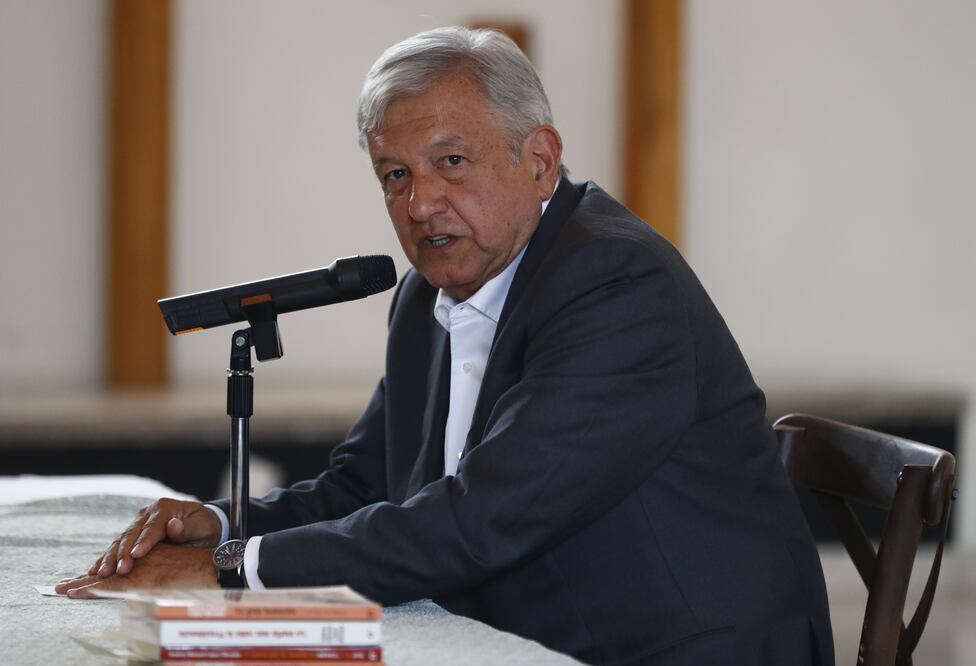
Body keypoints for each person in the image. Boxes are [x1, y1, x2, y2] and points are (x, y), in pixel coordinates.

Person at [57, 27, 834, 665]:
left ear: (539, 160)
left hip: (670, 645)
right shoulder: (428, 292)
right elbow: (368, 484)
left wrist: (234, 571)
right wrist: (228, 525)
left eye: (450, 163)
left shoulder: (614, 284)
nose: (420, 203)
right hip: (525, 628)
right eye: (394, 175)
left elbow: (483, 518)